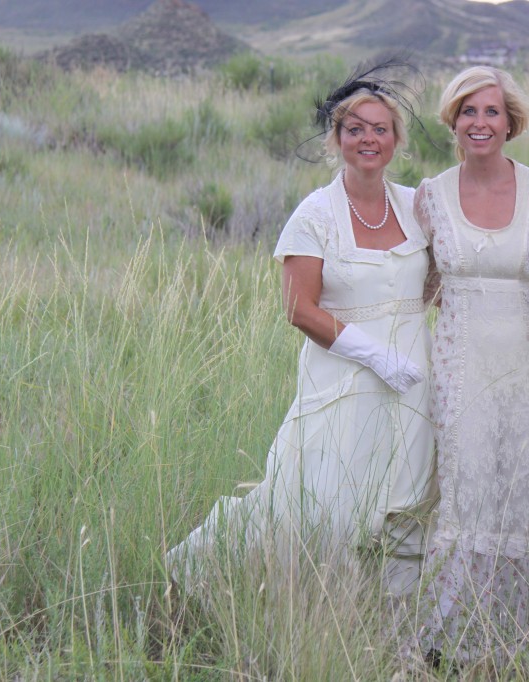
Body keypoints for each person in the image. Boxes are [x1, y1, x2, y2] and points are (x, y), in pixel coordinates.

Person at [165, 68, 436, 599]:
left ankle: (390, 624)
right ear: (336, 140)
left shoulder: (416, 205)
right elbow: (298, 308)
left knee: (404, 501)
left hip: (413, 379)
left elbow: (437, 279)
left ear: (397, 140)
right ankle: (205, 579)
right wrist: (374, 353)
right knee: (317, 500)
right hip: (343, 378)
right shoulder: (315, 214)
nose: (368, 140)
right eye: (354, 129)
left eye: (380, 129)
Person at [413, 65, 529, 668]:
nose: (480, 123)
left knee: (522, 494)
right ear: (452, 119)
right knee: (464, 494)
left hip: (527, 367)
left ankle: (519, 643)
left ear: (512, 121)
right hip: (458, 368)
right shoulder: (430, 194)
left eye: (491, 112)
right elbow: (416, 286)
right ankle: (447, 642)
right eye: (468, 111)